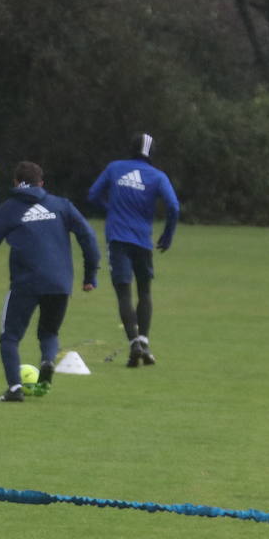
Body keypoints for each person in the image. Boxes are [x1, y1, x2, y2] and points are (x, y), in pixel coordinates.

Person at [0, 161, 100, 402]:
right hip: (60, 282)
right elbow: (88, 237)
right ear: (41, 183)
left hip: (26, 282)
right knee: (49, 332)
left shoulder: (10, 209)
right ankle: (48, 361)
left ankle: (14, 389)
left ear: (15, 183)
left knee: (10, 336)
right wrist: (90, 274)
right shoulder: (61, 205)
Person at [87, 132, 180, 366]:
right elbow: (174, 207)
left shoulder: (115, 168)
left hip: (118, 238)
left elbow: (92, 194)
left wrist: (110, 209)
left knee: (124, 293)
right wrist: (167, 235)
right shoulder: (158, 177)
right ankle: (144, 341)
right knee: (145, 291)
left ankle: (134, 343)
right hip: (143, 240)